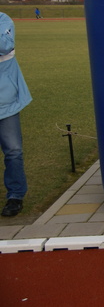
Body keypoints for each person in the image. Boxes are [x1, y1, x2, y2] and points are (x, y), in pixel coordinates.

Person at [0, 12, 32, 217]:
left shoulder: (4, 20)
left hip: (6, 101)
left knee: (13, 151)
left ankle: (15, 196)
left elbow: (4, 45)